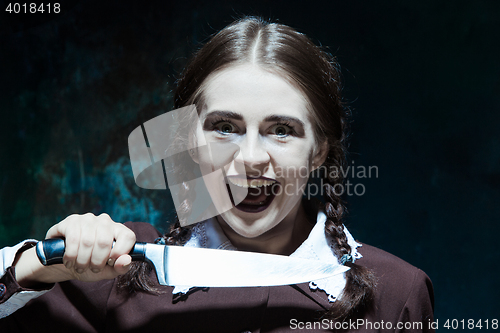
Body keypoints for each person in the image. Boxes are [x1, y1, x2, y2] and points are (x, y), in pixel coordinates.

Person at [0, 16, 434, 332]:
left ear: (319, 151)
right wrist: (33, 266)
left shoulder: (396, 293)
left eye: (281, 131)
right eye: (224, 128)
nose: (249, 158)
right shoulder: (114, 270)